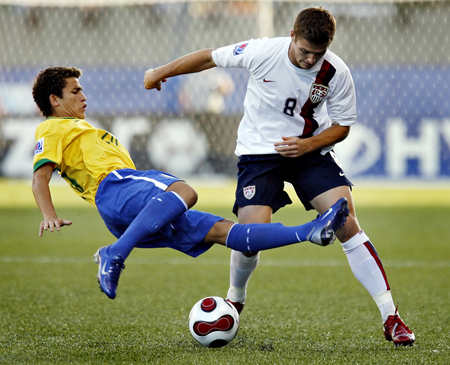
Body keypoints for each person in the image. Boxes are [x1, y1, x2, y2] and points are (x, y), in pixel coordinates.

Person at [143, 7, 414, 347]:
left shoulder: (336, 72)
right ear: (292, 36)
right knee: (249, 237)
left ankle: (391, 317)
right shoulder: (262, 51)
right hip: (259, 156)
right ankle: (236, 297)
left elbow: (342, 126)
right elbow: (208, 58)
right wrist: (159, 72)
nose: (309, 60)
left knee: (347, 223)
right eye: (304, 51)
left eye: (317, 54)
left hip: (309, 152)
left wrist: (308, 145)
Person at [31, 66, 349, 302]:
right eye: (75, 91)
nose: (84, 96)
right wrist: (49, 213)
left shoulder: (75, 127)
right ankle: (115, 253)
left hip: (127, 209)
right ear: (54, 100)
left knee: (225, 233)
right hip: (116, 187)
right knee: (184, 191)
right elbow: (40, 177)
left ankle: (309, 231)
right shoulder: (53, 128)